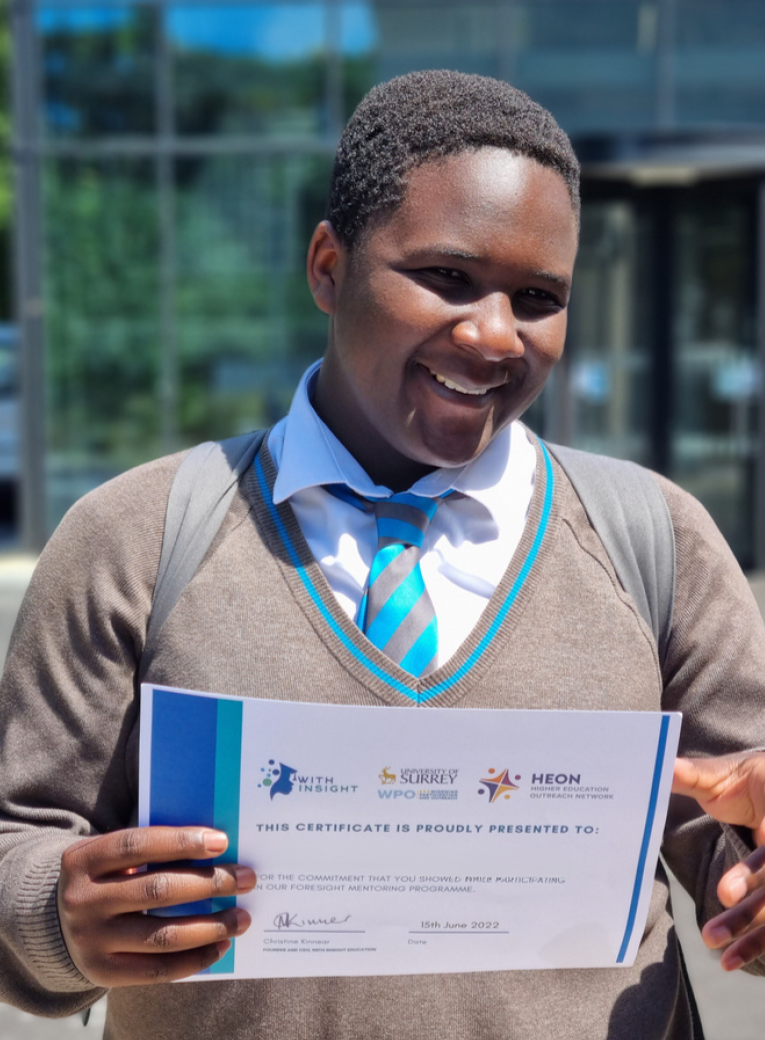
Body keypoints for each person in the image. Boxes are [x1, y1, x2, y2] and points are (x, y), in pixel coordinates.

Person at [1, 69, 765, 1040]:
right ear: (329, 267)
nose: (493, 333)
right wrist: (57, 920)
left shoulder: (655, 540)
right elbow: (22, 840)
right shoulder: (138, 538)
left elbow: (736, 841)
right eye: (446, 277)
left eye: (538, 297)